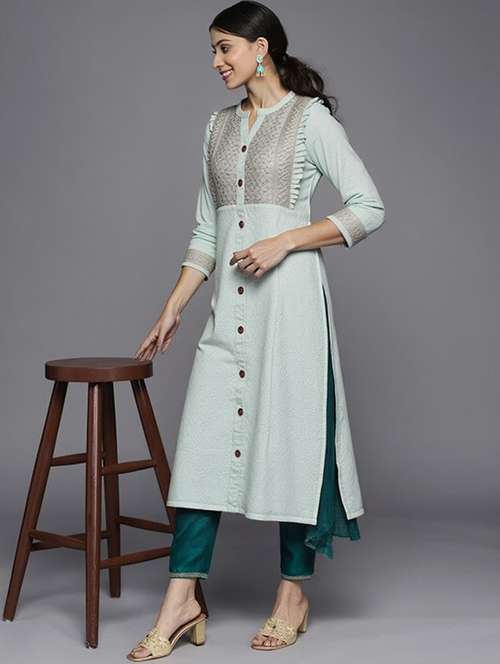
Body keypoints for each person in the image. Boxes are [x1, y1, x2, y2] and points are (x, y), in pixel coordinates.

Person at [128, 0, 384, 659]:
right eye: (213, 51)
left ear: (261, 47)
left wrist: (287, 240)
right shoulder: (216, 128)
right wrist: (173, 306)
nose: (217, 62)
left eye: (225, 48)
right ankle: (181, 601)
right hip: (230, 314)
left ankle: (293, 595)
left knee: (295, 448)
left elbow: (368, 208)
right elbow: (206, 232)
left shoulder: (310, 119)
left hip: (290, 313)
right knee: (202, 452)